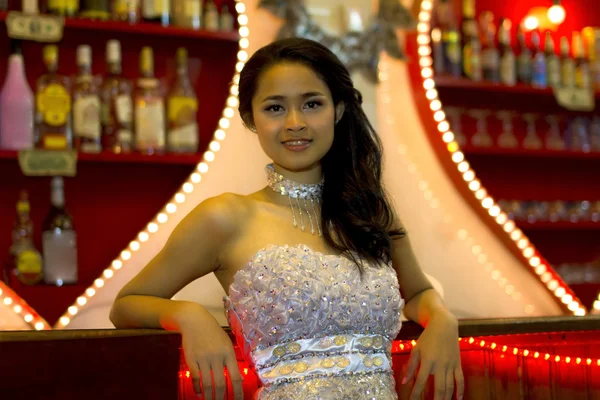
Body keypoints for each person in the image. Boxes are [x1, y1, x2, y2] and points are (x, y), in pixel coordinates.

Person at [110, 37, 464, 400]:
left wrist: (441, 317)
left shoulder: (369, 211)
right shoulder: (225, 218)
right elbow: (127, 304)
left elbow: (417, 291)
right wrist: (188, 315)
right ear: (250, 118)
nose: (295, 123)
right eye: (275, 108)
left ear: (338, 109)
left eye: (312, 104)